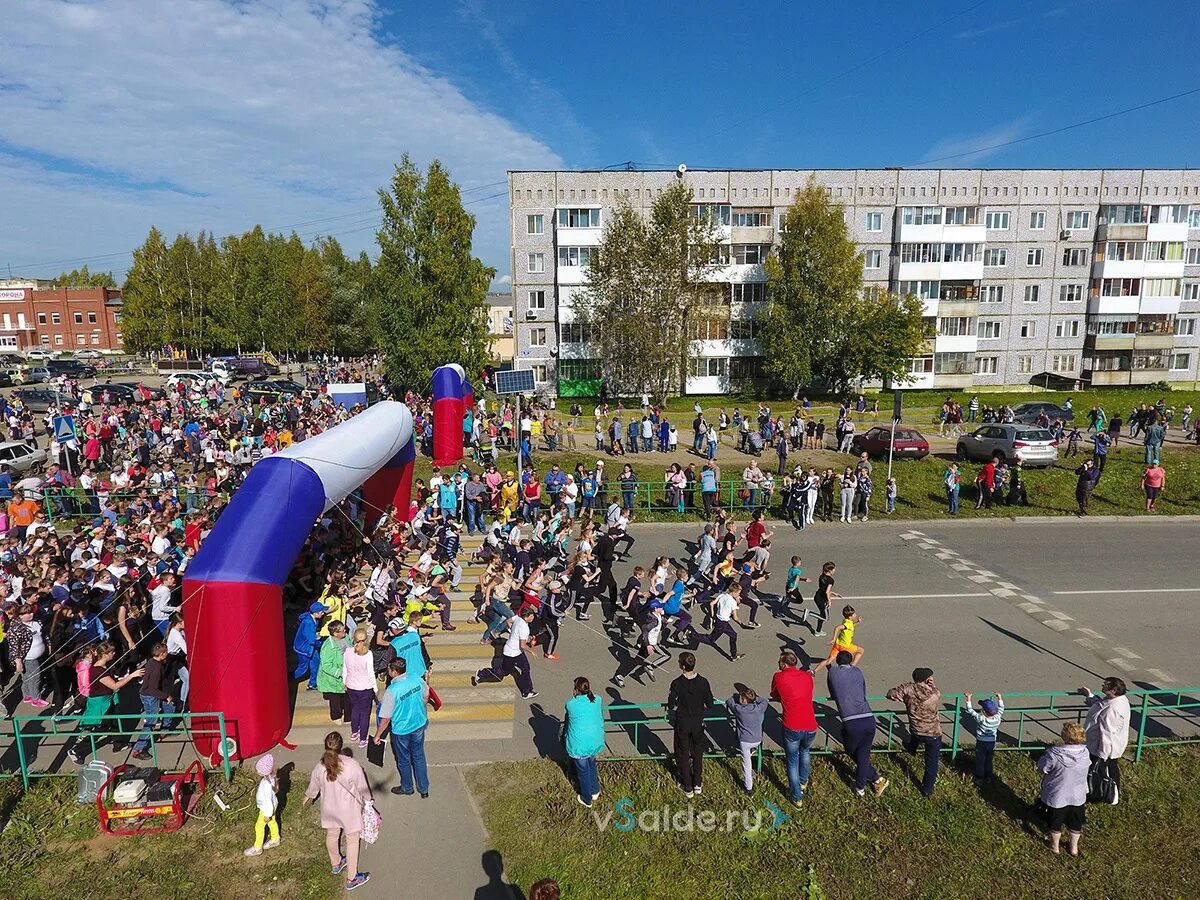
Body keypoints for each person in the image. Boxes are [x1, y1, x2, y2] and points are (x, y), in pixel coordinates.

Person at [303, 732, 372, 891]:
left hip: (329, 808)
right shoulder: (351, 765)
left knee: (332, 835)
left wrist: (308, 796)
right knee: (353, 840)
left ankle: (336, 863)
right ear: (340, 746)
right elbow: (362, 786)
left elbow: (314, 785)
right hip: (348, 810)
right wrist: (369, 800)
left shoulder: (320, 766)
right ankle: (352, 877)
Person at [825, 651, 888, 797]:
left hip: (851, 721)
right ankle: (876, 780)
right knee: (863, 755)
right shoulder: (858, 671)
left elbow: (833, 693)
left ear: (838, 661)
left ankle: (861, 787)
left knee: (853, 752)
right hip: (868, 718)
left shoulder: (833, 673)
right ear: (851, 661)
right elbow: (863, 690)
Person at [373, 657, 433, 798]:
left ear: (394, 672)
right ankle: (424, 789)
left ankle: (407, 787)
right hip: (419, 723)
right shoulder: (415, 678)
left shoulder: (392, 690)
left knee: (404, 759)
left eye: (389, 669)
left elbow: (386, 719)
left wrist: (378, 735)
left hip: (402, 730)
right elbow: (426, 695)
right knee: (418, 756)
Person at [770, 650, 817, 806]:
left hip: (792, 725)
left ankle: (796, 797)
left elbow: (775, 695)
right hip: (811, 724)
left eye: (779, 662)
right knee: (805, 751)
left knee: (792, 760)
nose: (778, 664)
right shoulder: (806, 676)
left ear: (784, 664)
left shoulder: (779, 677)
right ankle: (803, 782)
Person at [886, 667, 943, 797]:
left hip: (916, 729)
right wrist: (932, 685)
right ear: (927, 679)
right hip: (933, 733)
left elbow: (891, 694)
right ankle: (927, 789)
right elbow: (937, 692)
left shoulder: (908, 689)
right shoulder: (934, 693)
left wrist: (903, 698)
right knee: (931, 764)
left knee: (915, 738)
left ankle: (911, 749)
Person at [1036, 723, 1090, 857]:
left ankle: (1055, 846)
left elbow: (1044, 768)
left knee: (1055, 822)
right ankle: (1074, 848)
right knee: (1075, 823)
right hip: (1078, 795)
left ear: (1065, 736)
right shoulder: (1085, 752)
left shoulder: (1054, 754)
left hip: (1057, 795)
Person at [667, 651, 713, 798]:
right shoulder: (703, 682)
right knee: (697, 752)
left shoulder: (676, 683)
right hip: (698, 722)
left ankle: (687, 785)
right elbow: (710, 703)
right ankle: (697, 783)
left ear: (682, 666)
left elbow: (671, 703)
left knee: (683, 753)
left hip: (683, 722)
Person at [473, 607, 539, 699]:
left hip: (516, 651)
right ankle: (481, 674)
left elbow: (508, 621)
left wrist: (513, 632)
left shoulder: (517, 618)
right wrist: (532, 651)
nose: (533, 618)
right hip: (512, 653)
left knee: (526, 668)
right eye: (531, 616)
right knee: (502, 672)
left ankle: (527, 691)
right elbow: (523, 645)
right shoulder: (524, 628)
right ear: (526, 617)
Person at [1082, 677, 1130, 802]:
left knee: (1099, 772)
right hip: (1108, 747)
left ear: (1113, 690)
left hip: (1103, 748)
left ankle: (1101, 794)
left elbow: (1107, 734)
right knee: (1110, 769)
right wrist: (1090, 696)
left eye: (1105, 685)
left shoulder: (1112, 710)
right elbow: (1101, 705)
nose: (1102, 686)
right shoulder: (1119, 700)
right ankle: (1110, 794)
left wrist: (1102, 754)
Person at [131, 642, 177, 759]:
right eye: (166, 652)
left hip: (151, 694)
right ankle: (138, 749)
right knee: (151, 722)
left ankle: (164, 730)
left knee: (170, 707)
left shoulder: (152, 662)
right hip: (150, 696)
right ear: (162, 654)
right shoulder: (156, 668)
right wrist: (165, 695)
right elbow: (153, 689)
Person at [564, 676, 605, 808]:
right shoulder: (597, 699)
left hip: (579, 745)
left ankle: (586, 799)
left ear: (576, 690)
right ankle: (595, 790)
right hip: (595, 741)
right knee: (591, 765)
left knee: (583, 772)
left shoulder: (571, 704)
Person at [728, 685, 768, 794]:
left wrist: (734, 698)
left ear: (743, 700)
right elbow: (764, 701)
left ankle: (749, 787)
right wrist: (755, 698)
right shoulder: (759, 708)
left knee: (746, 764)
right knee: (750, 753)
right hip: (757, 739)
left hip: (745, 741)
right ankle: (753, 751)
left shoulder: (739, 710)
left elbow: (730, 701)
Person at [343, 627, 377, 749]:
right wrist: (375, 688)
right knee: (364, 713)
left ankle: (354, 732)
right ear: (366, 639)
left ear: (354, 639)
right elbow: (370, 673)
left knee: (355, 709)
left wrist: (344, 682)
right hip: (365, 687)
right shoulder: (368, 654)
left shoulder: (347, 651)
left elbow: (344, 669)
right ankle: (363, 738)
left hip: (351, 686)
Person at [244, 753, 281, 856]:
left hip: (266, 809)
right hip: (274, 804)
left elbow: (267, 800)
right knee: (272, 822)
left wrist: (267, 814)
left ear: (264, 772)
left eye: (259, 770)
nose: (257, 771)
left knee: (259, 827)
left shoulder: (266, 783)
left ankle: (257, 847)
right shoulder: (272, 777)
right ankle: (275, 838)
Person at [963, 692, 1004, 783]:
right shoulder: (998, 717)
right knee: (989, 759)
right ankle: (989, 775)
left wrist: (968, 698)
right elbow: (1001, 708)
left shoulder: (981, 719)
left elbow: (970, 710)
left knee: (980, 759)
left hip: (981, 741)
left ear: (984, 711)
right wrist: (999, 697)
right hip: (992, 742)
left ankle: (979, 776)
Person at [318, 620, 350, 725]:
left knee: (348, 696)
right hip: (334, 679)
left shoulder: (346, 638)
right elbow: (326, 666)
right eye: (342, 630)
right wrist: (340, 673)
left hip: (347, 674)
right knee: (336, 699)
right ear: (336, 633)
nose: (345, 630)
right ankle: (336, 716)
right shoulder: (327, 647)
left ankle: (348, 716)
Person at [815, 605, 863, 671]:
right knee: (861, 651)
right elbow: (838, 627)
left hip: (837, 645)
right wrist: (833, 639)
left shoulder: (846, 621)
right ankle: (852, 666)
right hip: (845, 646)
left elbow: (850, 627)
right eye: (854, 614)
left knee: (828, 660)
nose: (855, 615)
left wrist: (857, 622)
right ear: (850, 617)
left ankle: (814, 671)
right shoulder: (848, 624)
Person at [293, 601, 329, 690]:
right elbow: (312, 640)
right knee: (302, 669)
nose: (323, 613)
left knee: (316, 663)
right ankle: (289, 679)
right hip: (304, 649)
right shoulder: (309, 623)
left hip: (309, 647)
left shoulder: (311, 618)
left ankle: (312, 684)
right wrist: (322, 643)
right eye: (322, 612)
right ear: (316, 613)